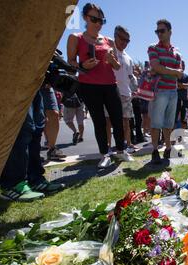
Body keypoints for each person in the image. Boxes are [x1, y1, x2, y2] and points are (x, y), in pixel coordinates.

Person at [67, 3, 134, 169]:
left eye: (101, 20)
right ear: (85, 18)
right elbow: (70, 63)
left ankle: (121, 150)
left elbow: (117, 66)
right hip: (89, 86)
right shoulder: (76, 38)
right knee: (99, 122)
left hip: (110, 85)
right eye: (94, 19)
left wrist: (112, 61)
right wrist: (83, 65)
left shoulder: (108, 41)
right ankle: (105, 154)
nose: (98, 23)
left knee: (118, 118)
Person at [0, 90, 64, 201]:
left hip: (36, 85)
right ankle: (13, 184)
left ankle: (35, 178)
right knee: (20, 130)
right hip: (17, 84)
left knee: (36, 128)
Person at [148, 19, 184, 164]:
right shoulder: (153, 48)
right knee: (156, 123)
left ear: (170, 31)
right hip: (160, 90)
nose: (159, 34)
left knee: (169, 123)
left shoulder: (177, 52)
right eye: (157, 31)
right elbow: (156, 67)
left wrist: (168, 71)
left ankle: (168, 149)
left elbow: (180, 73)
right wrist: (174, 72)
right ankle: (155, 150)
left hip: (173, 91)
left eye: (162, 31)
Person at [112, 25, 140, 154]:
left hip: (126, 93)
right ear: (115, 35)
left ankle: (128, 144)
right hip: (111, 91)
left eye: (127, 40)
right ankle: (108, 147)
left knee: (126, 121)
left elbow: (130, 76)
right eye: (122, 38)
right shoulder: (110, 51)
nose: (124, 42)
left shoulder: (128, 57)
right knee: (109, 121)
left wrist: (134, 89)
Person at [41, 85, 66, 161]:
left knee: (54, 114)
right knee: (36, 118)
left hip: (46, 85)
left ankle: (52, 150)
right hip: (29, 84)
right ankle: (34, 151)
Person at [176, 61, 188, 131]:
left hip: (185, 100)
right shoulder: (175, 75)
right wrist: (184, 86)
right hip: (176, 100)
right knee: (174, 118)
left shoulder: (187, 76)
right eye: (181, 65)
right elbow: (176, 85)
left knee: (184, 119)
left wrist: (180, 85)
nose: (183, 66)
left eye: (184, 65)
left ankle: (182, 136)